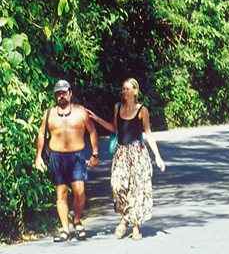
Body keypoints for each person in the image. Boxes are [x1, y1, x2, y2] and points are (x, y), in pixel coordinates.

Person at [86, 77, 166, 240]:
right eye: (123, 89)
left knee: (137, 189)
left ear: (135, 91)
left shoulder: (142, 110)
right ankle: (126, 217)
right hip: (121, 153)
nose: (124, 92)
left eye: (128, 89)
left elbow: (148, 134)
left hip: (138, 152)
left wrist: (157, 156)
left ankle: (134, 225)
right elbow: (114, 129)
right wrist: (97, 118)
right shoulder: (118, 107)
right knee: (117, 186)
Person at [34, 79, 99, 242]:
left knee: (79, 192)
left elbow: (92, 131)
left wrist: (95, 153)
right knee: (61, 194)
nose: (61, 96)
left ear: (70, 93)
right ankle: (65, 229)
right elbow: (42, 134)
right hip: (57, 157)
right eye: (58, 93)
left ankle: (76, 220)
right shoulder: (49, 114)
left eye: (64, 92)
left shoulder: (81, 112)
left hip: (77, 156)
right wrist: (38, 156)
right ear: (55, 96)